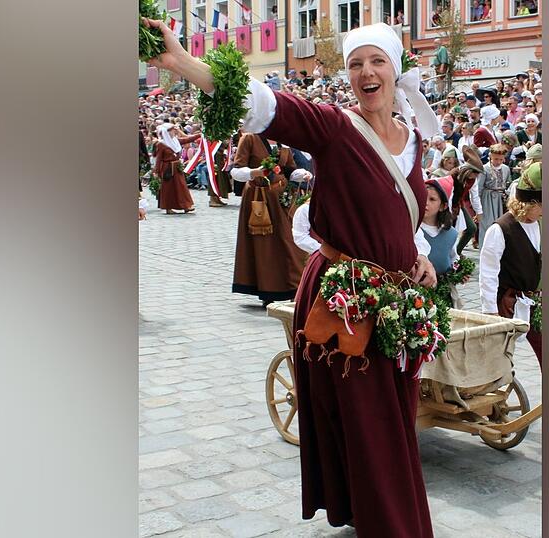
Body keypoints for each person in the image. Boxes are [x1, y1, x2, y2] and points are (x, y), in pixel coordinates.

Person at [141, 19, 438, 536]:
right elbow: (268, 105)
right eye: (355, 64)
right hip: (344, 298)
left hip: (396, 300)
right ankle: (396, 525)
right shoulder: (334, 128)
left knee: (395, 412)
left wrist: (419, 254)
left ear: (396, 69)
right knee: (375, 426)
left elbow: (401, 213)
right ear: (347, 75)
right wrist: (184, 65)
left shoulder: (412, 139)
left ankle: (356, 505)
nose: (366, 72)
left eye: (377, 61)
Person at [229, 133, 305, 305]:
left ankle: (296, 286)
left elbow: (289, 169)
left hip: (283, 197)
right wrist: (253, 172)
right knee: (266, 246)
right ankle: (270, 290)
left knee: (291, 240)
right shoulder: (249, 138)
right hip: (260, 197)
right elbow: (236, 170)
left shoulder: (283, 140)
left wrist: (300, 174)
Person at [479, 161, 542, 368]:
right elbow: (488, 273)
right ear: (530, 203)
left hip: (535, 302)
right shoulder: (500, 230)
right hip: (506, 303)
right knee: (498, 360)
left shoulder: (540, 224)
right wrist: (490, 313)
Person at [421, 176, 461, 305]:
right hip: (417, 294)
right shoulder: (412, 230)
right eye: (423, 196)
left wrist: (460, 272)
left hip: (442, 295)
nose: (425, 202)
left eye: (432, 199)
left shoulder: (451, 234)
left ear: (443, 206)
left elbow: (454, 258)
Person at [471, 143, 513, 248]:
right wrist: (478, 208)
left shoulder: (506, 169)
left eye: (500, 159)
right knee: (487, 224)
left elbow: (508, 183)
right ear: (490, 156)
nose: (498, 161)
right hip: (487, 199)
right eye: (495, 159)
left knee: (500, 225)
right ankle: (485, 248)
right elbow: (479, 188)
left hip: (500, 200)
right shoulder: (484, 169)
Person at [152, 123, 198, 214]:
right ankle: (168, 208)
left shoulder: (175, 141)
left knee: (181, 187)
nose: (175, 132)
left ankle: (186, 206)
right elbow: (158, 159)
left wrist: (199, 135)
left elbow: (187, 139)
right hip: (167, 168)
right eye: (173, 130)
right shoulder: (161, 144)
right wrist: (156, 172)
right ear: (167, 132)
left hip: (177, 167)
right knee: (168, 188)